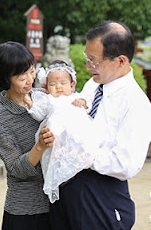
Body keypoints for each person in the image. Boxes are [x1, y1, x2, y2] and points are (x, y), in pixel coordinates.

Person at [50, 21, 151, 230]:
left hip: (102, 194)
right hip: (68, 188)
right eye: (87, 58)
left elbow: (126, 163)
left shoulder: (136, 104)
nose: (88, 66)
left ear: (121, 61)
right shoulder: (93, 85)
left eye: (94, 61)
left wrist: (83, 156)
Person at [0, 41, 54, 230]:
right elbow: (16, 168)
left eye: (31, 71)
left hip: (59, 202)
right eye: (20, 75)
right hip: (26, 209)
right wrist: (39, 146)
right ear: (4, 78)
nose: (29, 79)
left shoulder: (44, 97)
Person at [24, 61, 101, 203]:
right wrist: (31, 105)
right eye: (53, 84)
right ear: (46, 88)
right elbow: (39, 114)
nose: (58, 87)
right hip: (57, 129)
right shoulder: (48, 99)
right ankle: (58, 151)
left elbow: (86, 106)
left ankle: (85, 154)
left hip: (75, 127)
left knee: (84, 137)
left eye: (63, 83)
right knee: (52, 129)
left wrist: (82, 103)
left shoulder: (74, 97)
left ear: (72, 85)